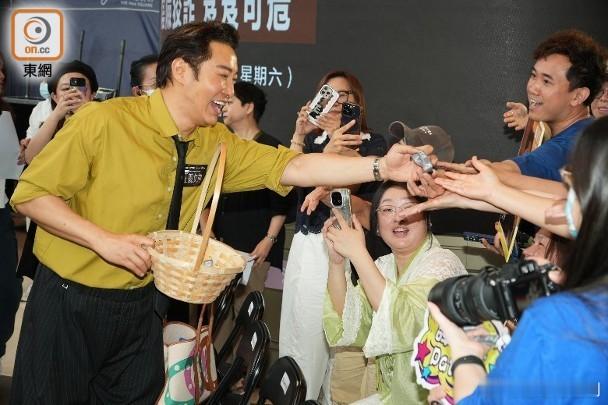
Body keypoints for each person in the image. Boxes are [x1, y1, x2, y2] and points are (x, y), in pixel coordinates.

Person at [9, 22, 431, 404]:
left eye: (234, 79)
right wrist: (103, 240)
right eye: (223, 76)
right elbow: (30, 194)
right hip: (69, 301)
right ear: (180, 70)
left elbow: (295, 167)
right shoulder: (104, 121)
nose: (230, 90)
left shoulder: (214, 142)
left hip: (141, 306)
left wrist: (381, 167)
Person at [428, 116, 608, 404]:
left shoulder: (556, 322)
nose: (560, 202)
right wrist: (484, 192)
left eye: (571, 183)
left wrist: (466, 356)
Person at [279, 70, 387, 402]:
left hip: (345, 247)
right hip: (306, 245)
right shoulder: (313, 143)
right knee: (301, 332)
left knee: (339, 337)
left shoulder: (373, 143)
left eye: (345, 96)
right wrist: (299, 135)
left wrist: (333, 154)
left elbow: (352, 191)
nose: (338, 102)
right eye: (329, 95)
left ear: (358, 101)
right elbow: (289, 185)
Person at [323, 181, 467, 404]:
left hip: (435, 395)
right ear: (377, 226)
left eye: (408, 207)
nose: (399, 217)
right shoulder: (384, 266)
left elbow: (405, 321)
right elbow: (352, 318)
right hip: (392, 394)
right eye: (388, 209)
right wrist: (337, 262)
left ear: (427, 219)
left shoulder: (443, 264)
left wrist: (359, 254)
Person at [441, 29, 606, 182]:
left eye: (546, 81)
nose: (533, 87)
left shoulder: (575, 144)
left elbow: (518, 168)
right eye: (533, 75)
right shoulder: (583, 133)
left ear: (578, 96)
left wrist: (478, 171)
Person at [211, 81, 291, 341]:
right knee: (216, 318)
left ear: (248, 107)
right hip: (220, 247)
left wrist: (269, 239)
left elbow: (281, 202)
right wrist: (207, 231)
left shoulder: (270, 147)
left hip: (254, 251)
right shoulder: (219, 143)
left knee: (248, 317)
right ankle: (215, 365)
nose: (223, 107)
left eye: (230, 102)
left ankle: (243, 367)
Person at [23, 60, 98, 164]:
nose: (73, 93)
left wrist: (86, 112)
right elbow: (30, 158)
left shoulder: (102, 119)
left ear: (92, 95)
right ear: (55, 97)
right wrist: (56, 116)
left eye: (80, 88)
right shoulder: (50, 123)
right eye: (66, 88)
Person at [0, 52, 22, 373]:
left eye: (3, 70)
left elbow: (12, 168)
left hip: (0, 214)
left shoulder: (5, 116)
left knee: (6, 293)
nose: (2, 76)